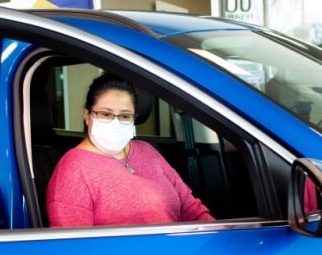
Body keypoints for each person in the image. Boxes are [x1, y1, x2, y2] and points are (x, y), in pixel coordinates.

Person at [46, 73, 214, 226]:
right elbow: (76, 249)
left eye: (125, 116)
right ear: (87, 115)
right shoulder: (73, 169)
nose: (116, 122)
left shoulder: (148, 151)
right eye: (106, 114)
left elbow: (192, 209)